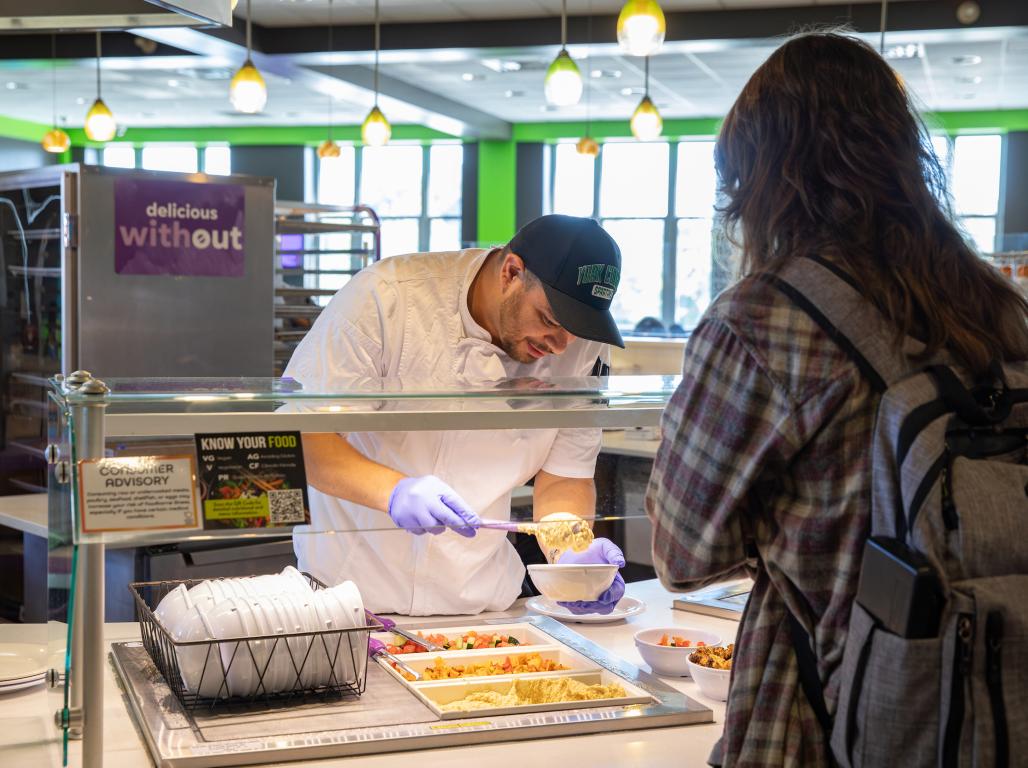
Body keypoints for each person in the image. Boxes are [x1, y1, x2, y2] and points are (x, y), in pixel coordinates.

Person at [645, 32, 1028, 768]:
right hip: (988, 699)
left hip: (819, 714)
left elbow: (683, 552)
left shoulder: (758, 319)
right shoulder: (994, 306)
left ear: (765, 179)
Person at [285, 214, 629, 616]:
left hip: (481, 605)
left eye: (576, 331)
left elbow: (565, 474)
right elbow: (301, 437)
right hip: (349, 600)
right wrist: (393, 491)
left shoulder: (579, 346)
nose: (560, 345)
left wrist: (569, 551)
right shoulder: (385, 297)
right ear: (511, 272)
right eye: (550, 320)